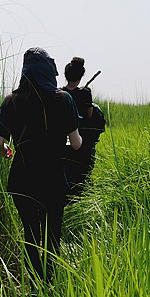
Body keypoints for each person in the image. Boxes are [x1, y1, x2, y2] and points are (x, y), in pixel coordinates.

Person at [0, 47, 82, 285]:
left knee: (30, 232)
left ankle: (33, 282)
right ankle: (48, 282)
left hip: (22, 177)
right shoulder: (64, 99)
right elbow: (76, 144)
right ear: (49, 70)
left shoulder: (11, 100)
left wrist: (7, 151)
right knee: (52, 234)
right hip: (53, 176)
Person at [61, 57, 98, 200]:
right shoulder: (85, 93)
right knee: (82, 172)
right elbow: (89, 115)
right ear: (81, 76)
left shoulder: (59, 93)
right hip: (81, 140)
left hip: (61, 140)